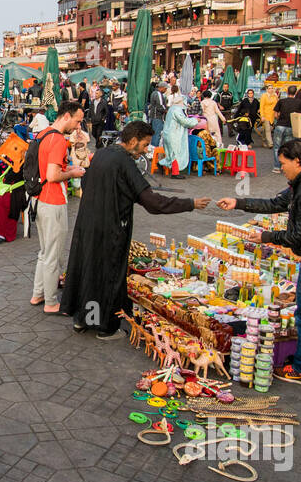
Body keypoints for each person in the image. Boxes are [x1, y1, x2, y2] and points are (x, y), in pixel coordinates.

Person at [216, 138, 301, 387]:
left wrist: (267, 236)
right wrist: (238, 202)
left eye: (283, 163)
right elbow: (275, 203)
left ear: (297, 161)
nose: (281, 168)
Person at [62, 121, 209, 339]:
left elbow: (87, 184)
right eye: (145, 144)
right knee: (109, 275)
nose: (146, 149)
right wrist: (190, 203)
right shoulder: (125, 163)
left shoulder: (102, 154)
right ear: (133, 141)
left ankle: (83, 319)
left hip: (88, 224)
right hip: (112, 228)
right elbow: (152, 202)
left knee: (88, 269)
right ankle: (106, 328)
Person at [30, 100, 86, 314]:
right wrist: (72, 173)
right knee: (53, 254)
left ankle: (38, 294)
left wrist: (67, 166)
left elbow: (47, 168)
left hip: (40, 200)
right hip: (53, 201)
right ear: (66, 116)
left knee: (45, 252)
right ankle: (51, 302)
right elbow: (53, 175)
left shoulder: (42, 134)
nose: (78, 126)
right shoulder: (59, 141)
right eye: (77, 121)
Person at [155, 97, 203, 180]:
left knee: (171, 154)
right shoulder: (177, 110)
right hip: (174, 135)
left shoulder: (172, 109)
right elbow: (184, 121)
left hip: (169, 133)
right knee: (176, 154)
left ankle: (162, 163)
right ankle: (175, 173)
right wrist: (195, 120)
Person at [272, 85, 301, 166]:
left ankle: (277, 167)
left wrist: (279, 117)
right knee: (287, 148)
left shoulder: (281, 101)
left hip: (280, 126)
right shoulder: (299, 102)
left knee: (277, 147)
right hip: (291, 127)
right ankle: (285, 165)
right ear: (295, 93)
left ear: (287, 92)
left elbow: (275, 115)